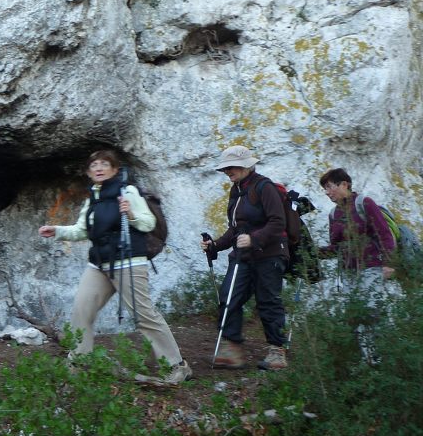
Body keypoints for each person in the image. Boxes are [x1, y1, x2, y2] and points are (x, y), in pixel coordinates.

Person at [38, 149, 191, 386]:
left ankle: (177, 365)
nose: (99, 168)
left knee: (143, 316)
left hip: (128, 261)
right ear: (89, 172)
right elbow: (82, 230)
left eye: (104, 164)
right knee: (82, 309)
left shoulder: (127, 191)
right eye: (94, 164)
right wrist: (57, 231)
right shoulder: (93, 198)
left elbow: (148, 222)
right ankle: (79, 363)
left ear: (115, 170)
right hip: (99, 263)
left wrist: (129, 213)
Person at [200, 145, 289, 371]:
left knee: (268, 302)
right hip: (243, 256)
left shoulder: (264, 187)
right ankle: (233, 350)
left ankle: (277, 352)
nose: (228, 171)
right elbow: (235, 229)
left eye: (232, 166)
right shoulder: (236, 190)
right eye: (226, 168)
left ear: (247, 165)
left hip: (269, 255)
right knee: (228, 295)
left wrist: (254, 239)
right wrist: (215, 246)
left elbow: (278, 223)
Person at [318, 168, 396, 361]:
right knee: (354, 314)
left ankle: (375, 360)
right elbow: (336, 247)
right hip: (348, 273)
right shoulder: (333, 214)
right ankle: (367, 361)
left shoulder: (364, 203)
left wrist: (388, 263)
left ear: (344, 184)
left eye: (329, 186)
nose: (327, 192)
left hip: (372, 268)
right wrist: (314, 252)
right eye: (325, 189)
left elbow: (384, 234)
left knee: (369, 312)